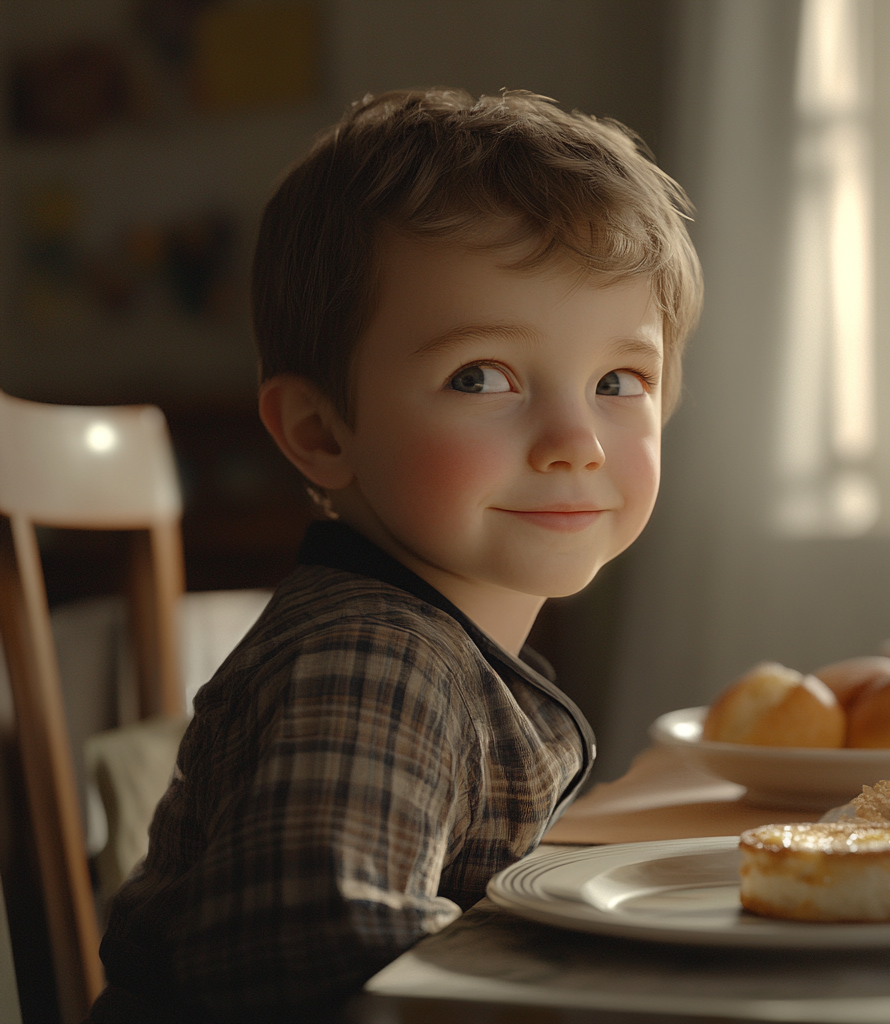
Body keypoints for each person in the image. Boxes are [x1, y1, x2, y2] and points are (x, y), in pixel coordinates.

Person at [87, 88, 702, 1023]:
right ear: (322, 431)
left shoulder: (440, 643)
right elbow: (311, 970)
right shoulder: (374, 660)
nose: (575, 440)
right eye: (481, 376)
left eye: (619, 381)